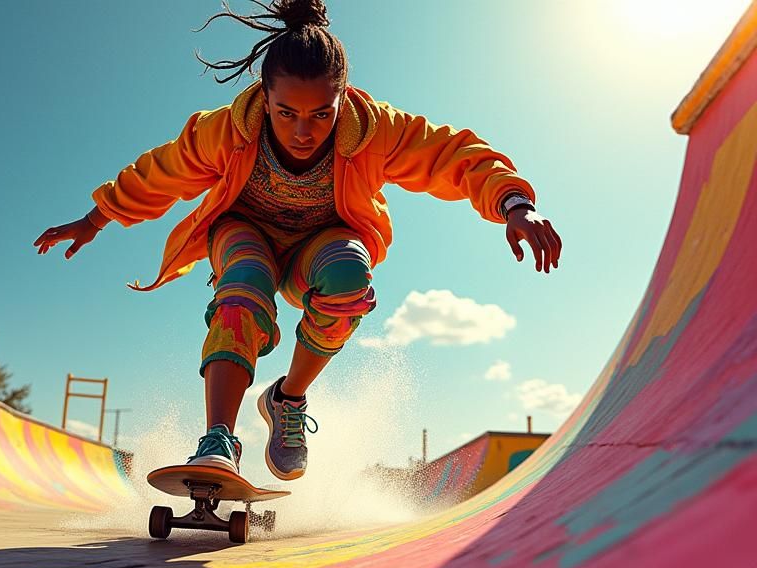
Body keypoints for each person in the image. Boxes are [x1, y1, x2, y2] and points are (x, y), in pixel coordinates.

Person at [34, 0, 562, 482]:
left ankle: (287, 399)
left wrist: (515, 203)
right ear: (265, 98)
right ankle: (218, 438)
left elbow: (453, 154)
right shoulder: (225, 132)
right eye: (286, 113)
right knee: (243, 287)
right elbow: (161, 171)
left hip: (319, 245)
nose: (303, 132)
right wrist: (97, 217)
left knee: (351, 274)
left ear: (342, 100)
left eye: (320, 115)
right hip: (247, 233)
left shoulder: (376, 131)